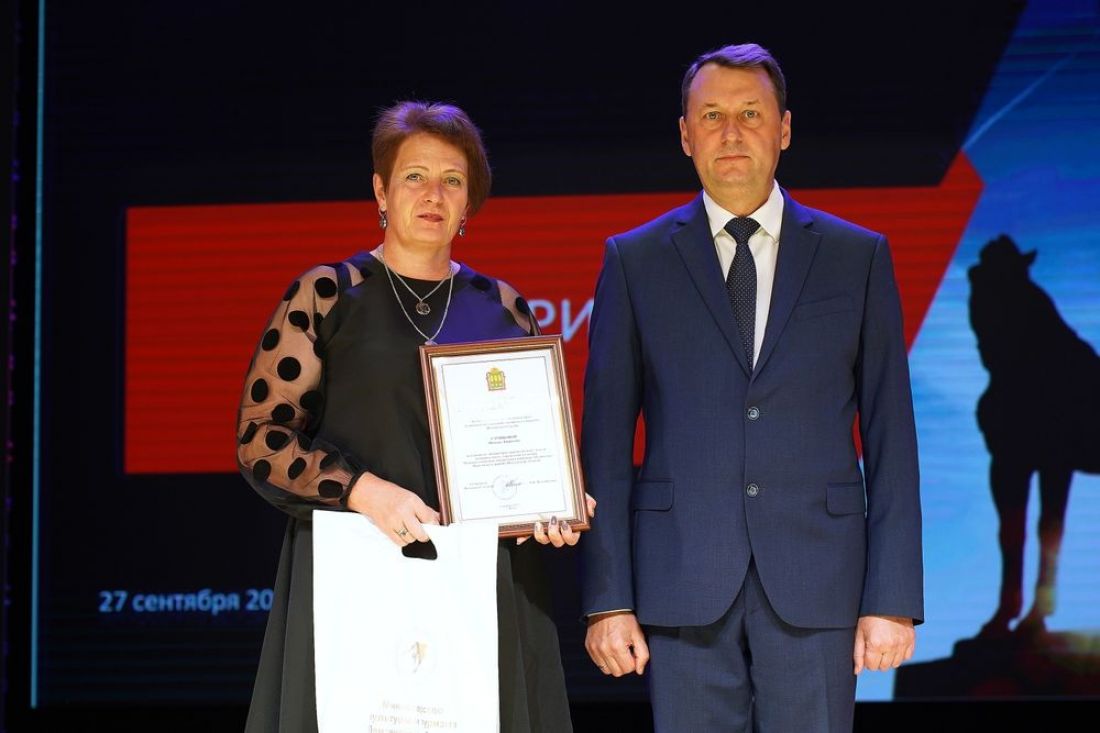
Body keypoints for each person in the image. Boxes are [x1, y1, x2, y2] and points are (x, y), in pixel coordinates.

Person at [579, 43, 923, 731]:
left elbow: (892, 435)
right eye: (711, 115)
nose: (731, 132)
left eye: (750, 114)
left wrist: (891, 597)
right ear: (686, 135)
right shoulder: (634, 260)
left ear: (784, 128)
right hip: (680, 580)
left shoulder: (856, 256)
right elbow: (605, 446)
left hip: (819, 581)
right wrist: (607, 599)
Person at [236, 100, 591, 733]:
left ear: (470, 201)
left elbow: (528, 446)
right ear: (381, 190)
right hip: (354, 571)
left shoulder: (503, 306)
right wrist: (363, 491)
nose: (434, 194)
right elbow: (262, 439)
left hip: (481, 582)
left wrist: (551, 505)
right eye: (415, 177)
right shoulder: (328, 293)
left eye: (453, 180)